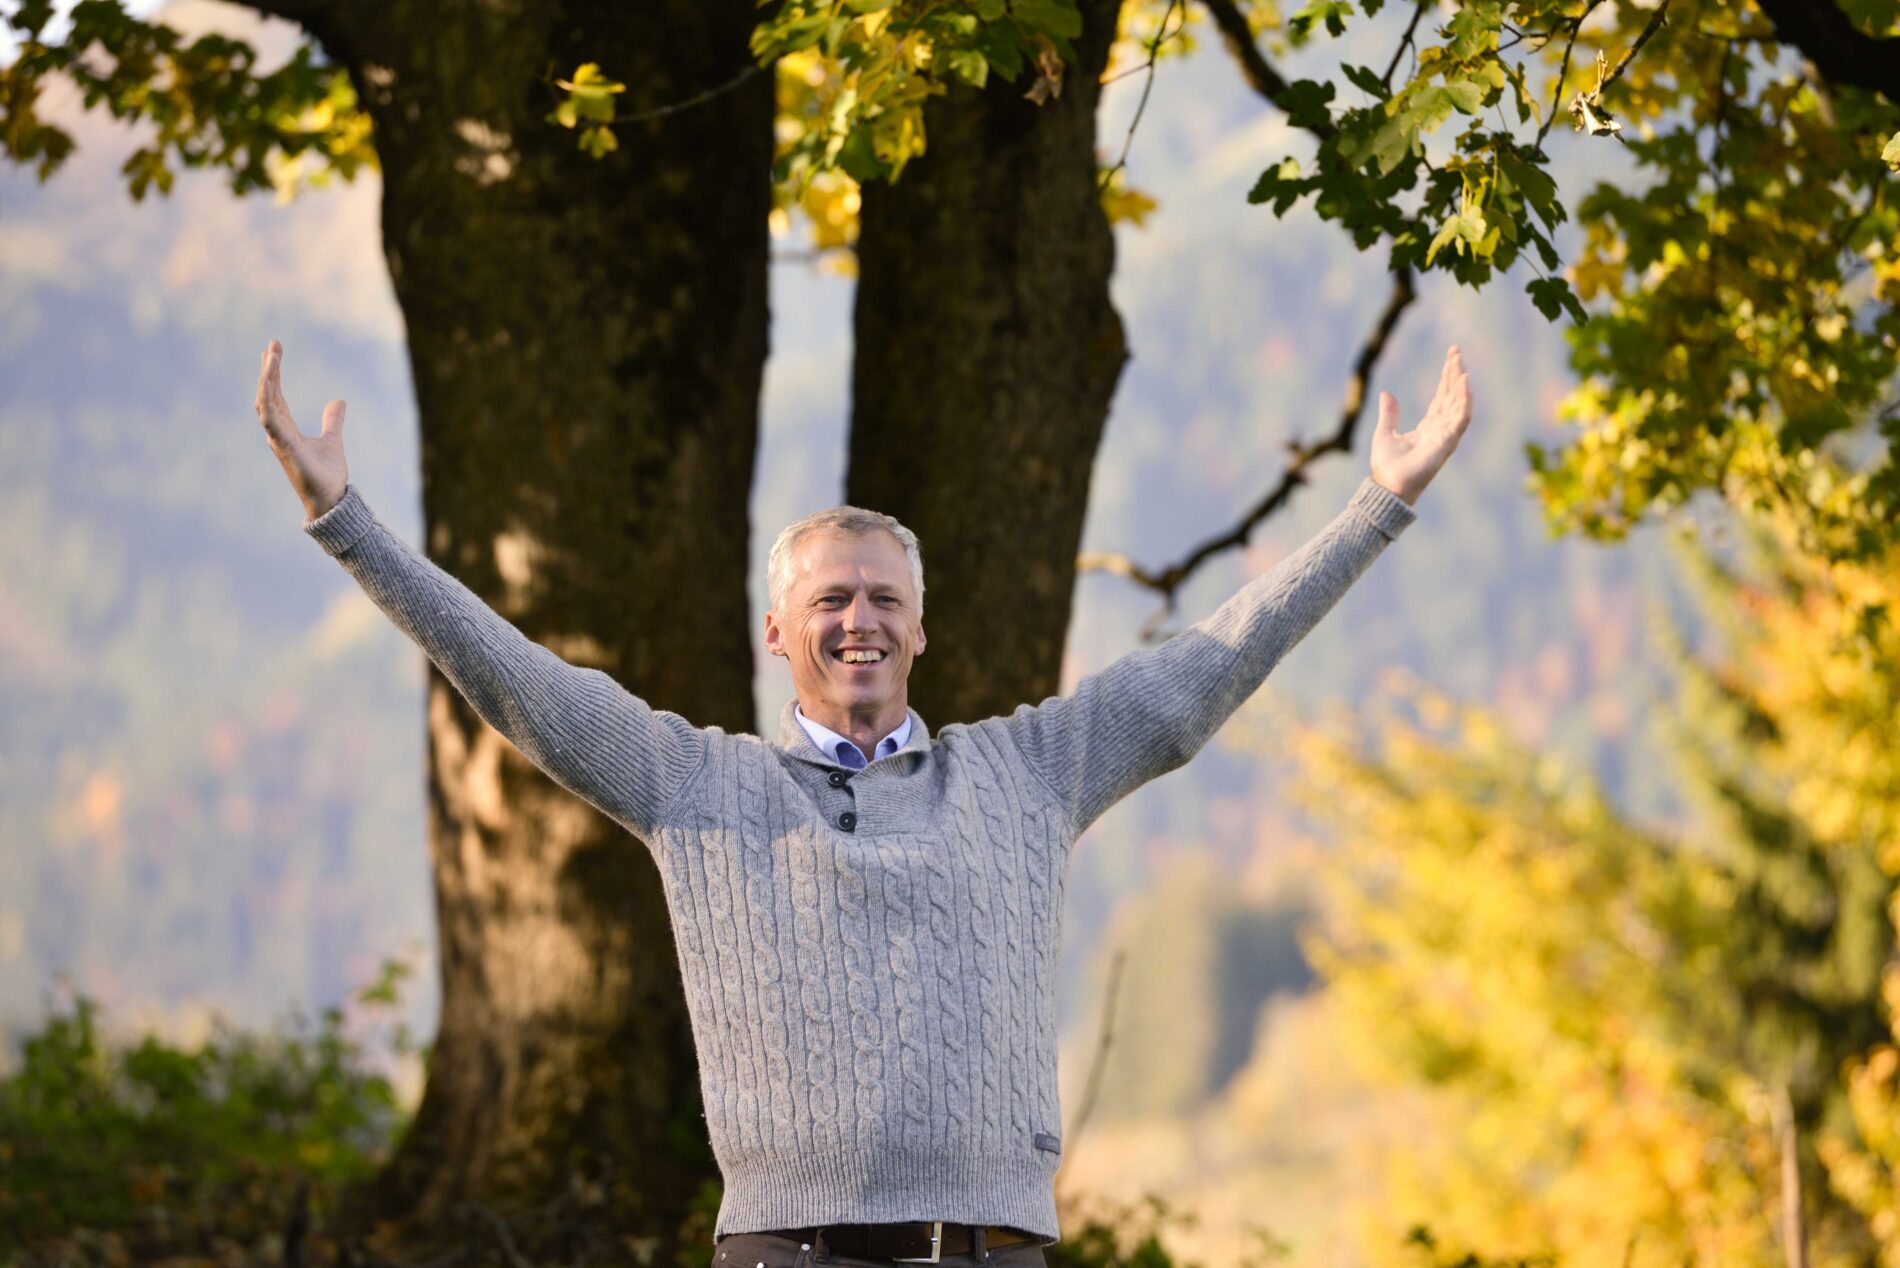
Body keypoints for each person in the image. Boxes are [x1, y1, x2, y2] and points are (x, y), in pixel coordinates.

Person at [254, 339, 1471, 1267]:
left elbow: (1204, 666)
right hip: (788, 1254)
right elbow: (519, 683)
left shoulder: (1025, 772)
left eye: (885, 598)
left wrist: (1377, 506)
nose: (859, 620)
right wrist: (344, 524)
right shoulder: (700, 785)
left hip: (993, 1249)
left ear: (920, 628)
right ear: (775, 632)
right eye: (830, 599)